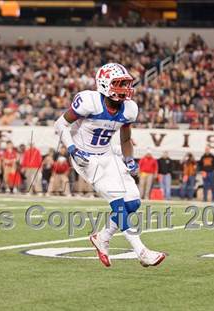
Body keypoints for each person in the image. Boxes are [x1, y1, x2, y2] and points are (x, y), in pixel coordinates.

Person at [54, 63, 166, 268]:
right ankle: (141, 251)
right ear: (105, 84)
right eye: (119, 84)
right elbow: (60, 124)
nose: (125, 88)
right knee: (118, 202)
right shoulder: (89, 102)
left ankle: (102, 237)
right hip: (86, 157)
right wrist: (72, 149)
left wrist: (130, 160)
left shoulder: (129, 109)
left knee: (133, 202)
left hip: (107, 154)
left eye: (126, 83)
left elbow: (125, 140)